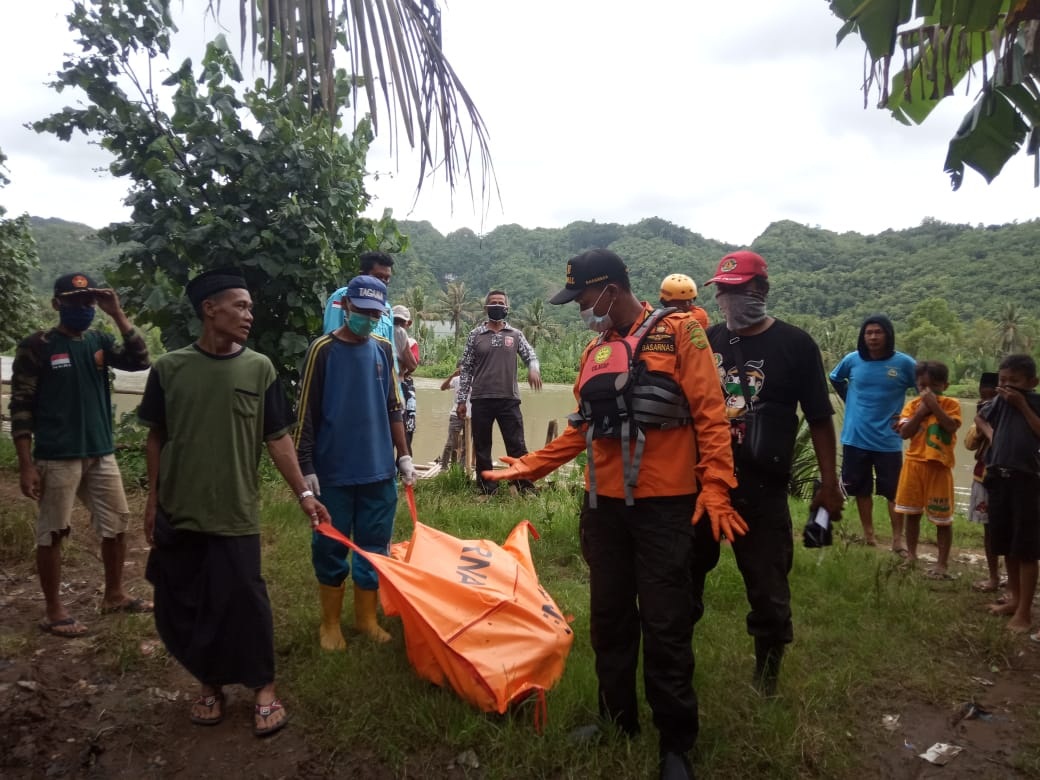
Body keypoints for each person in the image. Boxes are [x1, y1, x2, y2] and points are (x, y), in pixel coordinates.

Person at [481, 249, 746, 780]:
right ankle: (616, 717)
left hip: (665, 508)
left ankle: (675, 744)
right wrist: (532, 465)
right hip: (602, 508)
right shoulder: (595, 351)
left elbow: (710, 416)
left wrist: (716, 486)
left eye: (583, 297)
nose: (581, 307)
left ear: (610, 289)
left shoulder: (680, 334)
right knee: (609, 617)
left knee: (667, 621)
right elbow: (582, 428)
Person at [139, 269, 332, 737]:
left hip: (235, 510)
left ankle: (263, 687)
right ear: (210, 309)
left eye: (249, 307)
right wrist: (152, 499)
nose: (249, 315)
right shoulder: (170, 369)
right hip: (180, 508)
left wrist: (305, 495)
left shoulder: (259, 368)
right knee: (188, 600)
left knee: (246, 600)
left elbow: (278, 439)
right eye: (240, 306)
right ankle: (209, 684)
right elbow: (157, 437)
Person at [699, 250, 843, 697]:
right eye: (723, 291)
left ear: (761, 290)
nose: (728, 298)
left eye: (738, 289)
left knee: (768, 585)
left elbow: (820, 418)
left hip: (763, 488)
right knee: (681, 577)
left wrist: (829, 483)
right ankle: (674, 663)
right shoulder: (707, 339)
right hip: (705, 485)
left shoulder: (796, 345)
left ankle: (767, 678)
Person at [10, 272, 152, 638]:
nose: (83, 309)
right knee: (53, 532)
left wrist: (117, 314)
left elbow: (140, 361)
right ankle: (54, 610)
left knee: (118, 524)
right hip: (57, 455)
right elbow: (21, 405)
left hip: (101, 451)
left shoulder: (100, 341)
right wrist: (26, 464)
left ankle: (115, 595)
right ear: (57, 304)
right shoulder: (37, 345)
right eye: (75, 302)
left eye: (89, 302)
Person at [296, 275, 418, 651]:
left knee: (374, 544)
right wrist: (307, 467)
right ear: (346, 308)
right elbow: (306, 414)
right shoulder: (323, 350)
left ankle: (366, 618)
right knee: (330, 546)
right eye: (361, 311)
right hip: (333, 471)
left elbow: (394, 406)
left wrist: (404, 456)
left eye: (374, 313)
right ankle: (330, 624)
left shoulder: (382, 349)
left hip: (379, 469)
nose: (366, 319)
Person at [829, 315, 917, 551]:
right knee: (860, 489)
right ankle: (869, 535)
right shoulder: (852, 360)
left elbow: (926, 391)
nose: (873, 337)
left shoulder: (905, 364)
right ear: (863, 336)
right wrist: (850, 399)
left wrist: (909, 416)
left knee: (893, 492)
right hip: (855, 437)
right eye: (868, 333)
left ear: (888, 334)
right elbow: (835, 378)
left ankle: (898, 539)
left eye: (878, 332)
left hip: (888, 440)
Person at [455, 290, 542, 495]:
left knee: (517, 446)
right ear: (486, 307)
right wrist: (461, 400)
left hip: (508, 399)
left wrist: (533, 369)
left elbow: (531, 356)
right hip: (481, 399)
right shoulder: (475, 335)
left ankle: (524, 487)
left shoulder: (516, 335)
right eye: (493, 302)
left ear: (507, 308)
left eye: (500, 302)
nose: (497, 305)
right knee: (482, 447)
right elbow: (466, 368)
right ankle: (487, 489)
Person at [978, 354, 1040, 635]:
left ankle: (1025, 612)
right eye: (1003, 381)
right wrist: (992, 435)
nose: (1006, 387)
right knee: (1006, 545)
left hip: (1027, 481)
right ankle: (1014, 600)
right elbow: (980, 417)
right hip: (998, 477)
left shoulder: (1034, 403)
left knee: (1026, 548)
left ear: (1032, 382)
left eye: (1014, 382)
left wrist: (1023, 405)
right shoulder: (998, 403)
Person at [893, 361, 962, 577]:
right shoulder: (912, 406)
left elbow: (951, 426)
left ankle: (942, 564)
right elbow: (905, 433)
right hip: (914, 465)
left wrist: (934, 405)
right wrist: (922, 411)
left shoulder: (951, 404)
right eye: (922, 386)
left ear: (945, 384)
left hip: (939, 468)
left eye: (933, 386)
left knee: (943, 520)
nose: (927, 391)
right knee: (911, 514)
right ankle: (912, 556)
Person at [964, 372, 1001, 592]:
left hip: (1008, 477)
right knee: (989, 529)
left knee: (1009, 529)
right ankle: (994, 576)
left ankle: (1007, 579)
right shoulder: (982, 413)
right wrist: (981, 421)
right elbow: (969, 444)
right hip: (984, 475)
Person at [392, 304, 420, 450]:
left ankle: (402, 463)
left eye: (401, 322)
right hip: (394, 383)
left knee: (407, 425)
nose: (398, 325)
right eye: (395, 321)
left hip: (404, 384)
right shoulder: (386, 333)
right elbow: (409, 365)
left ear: (408, 323)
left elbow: (412, 366)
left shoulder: (411, 341)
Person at [438, 364, 470, 467]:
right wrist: (452, 375)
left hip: (470, 417)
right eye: (462, 368)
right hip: (456, 415)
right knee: (451, 443)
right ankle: (444, 467)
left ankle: (460, 469)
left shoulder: (474, 379)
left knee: (466, 445)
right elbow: (442, 388)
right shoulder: (456, 379)